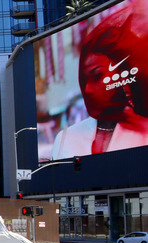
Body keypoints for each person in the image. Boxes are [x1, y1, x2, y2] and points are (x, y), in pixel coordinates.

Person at [52, 2, 148, 159]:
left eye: (97, 75)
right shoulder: (64, 138)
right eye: (84, 78)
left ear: (123, 72)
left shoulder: (144, 131)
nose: (88, 89)